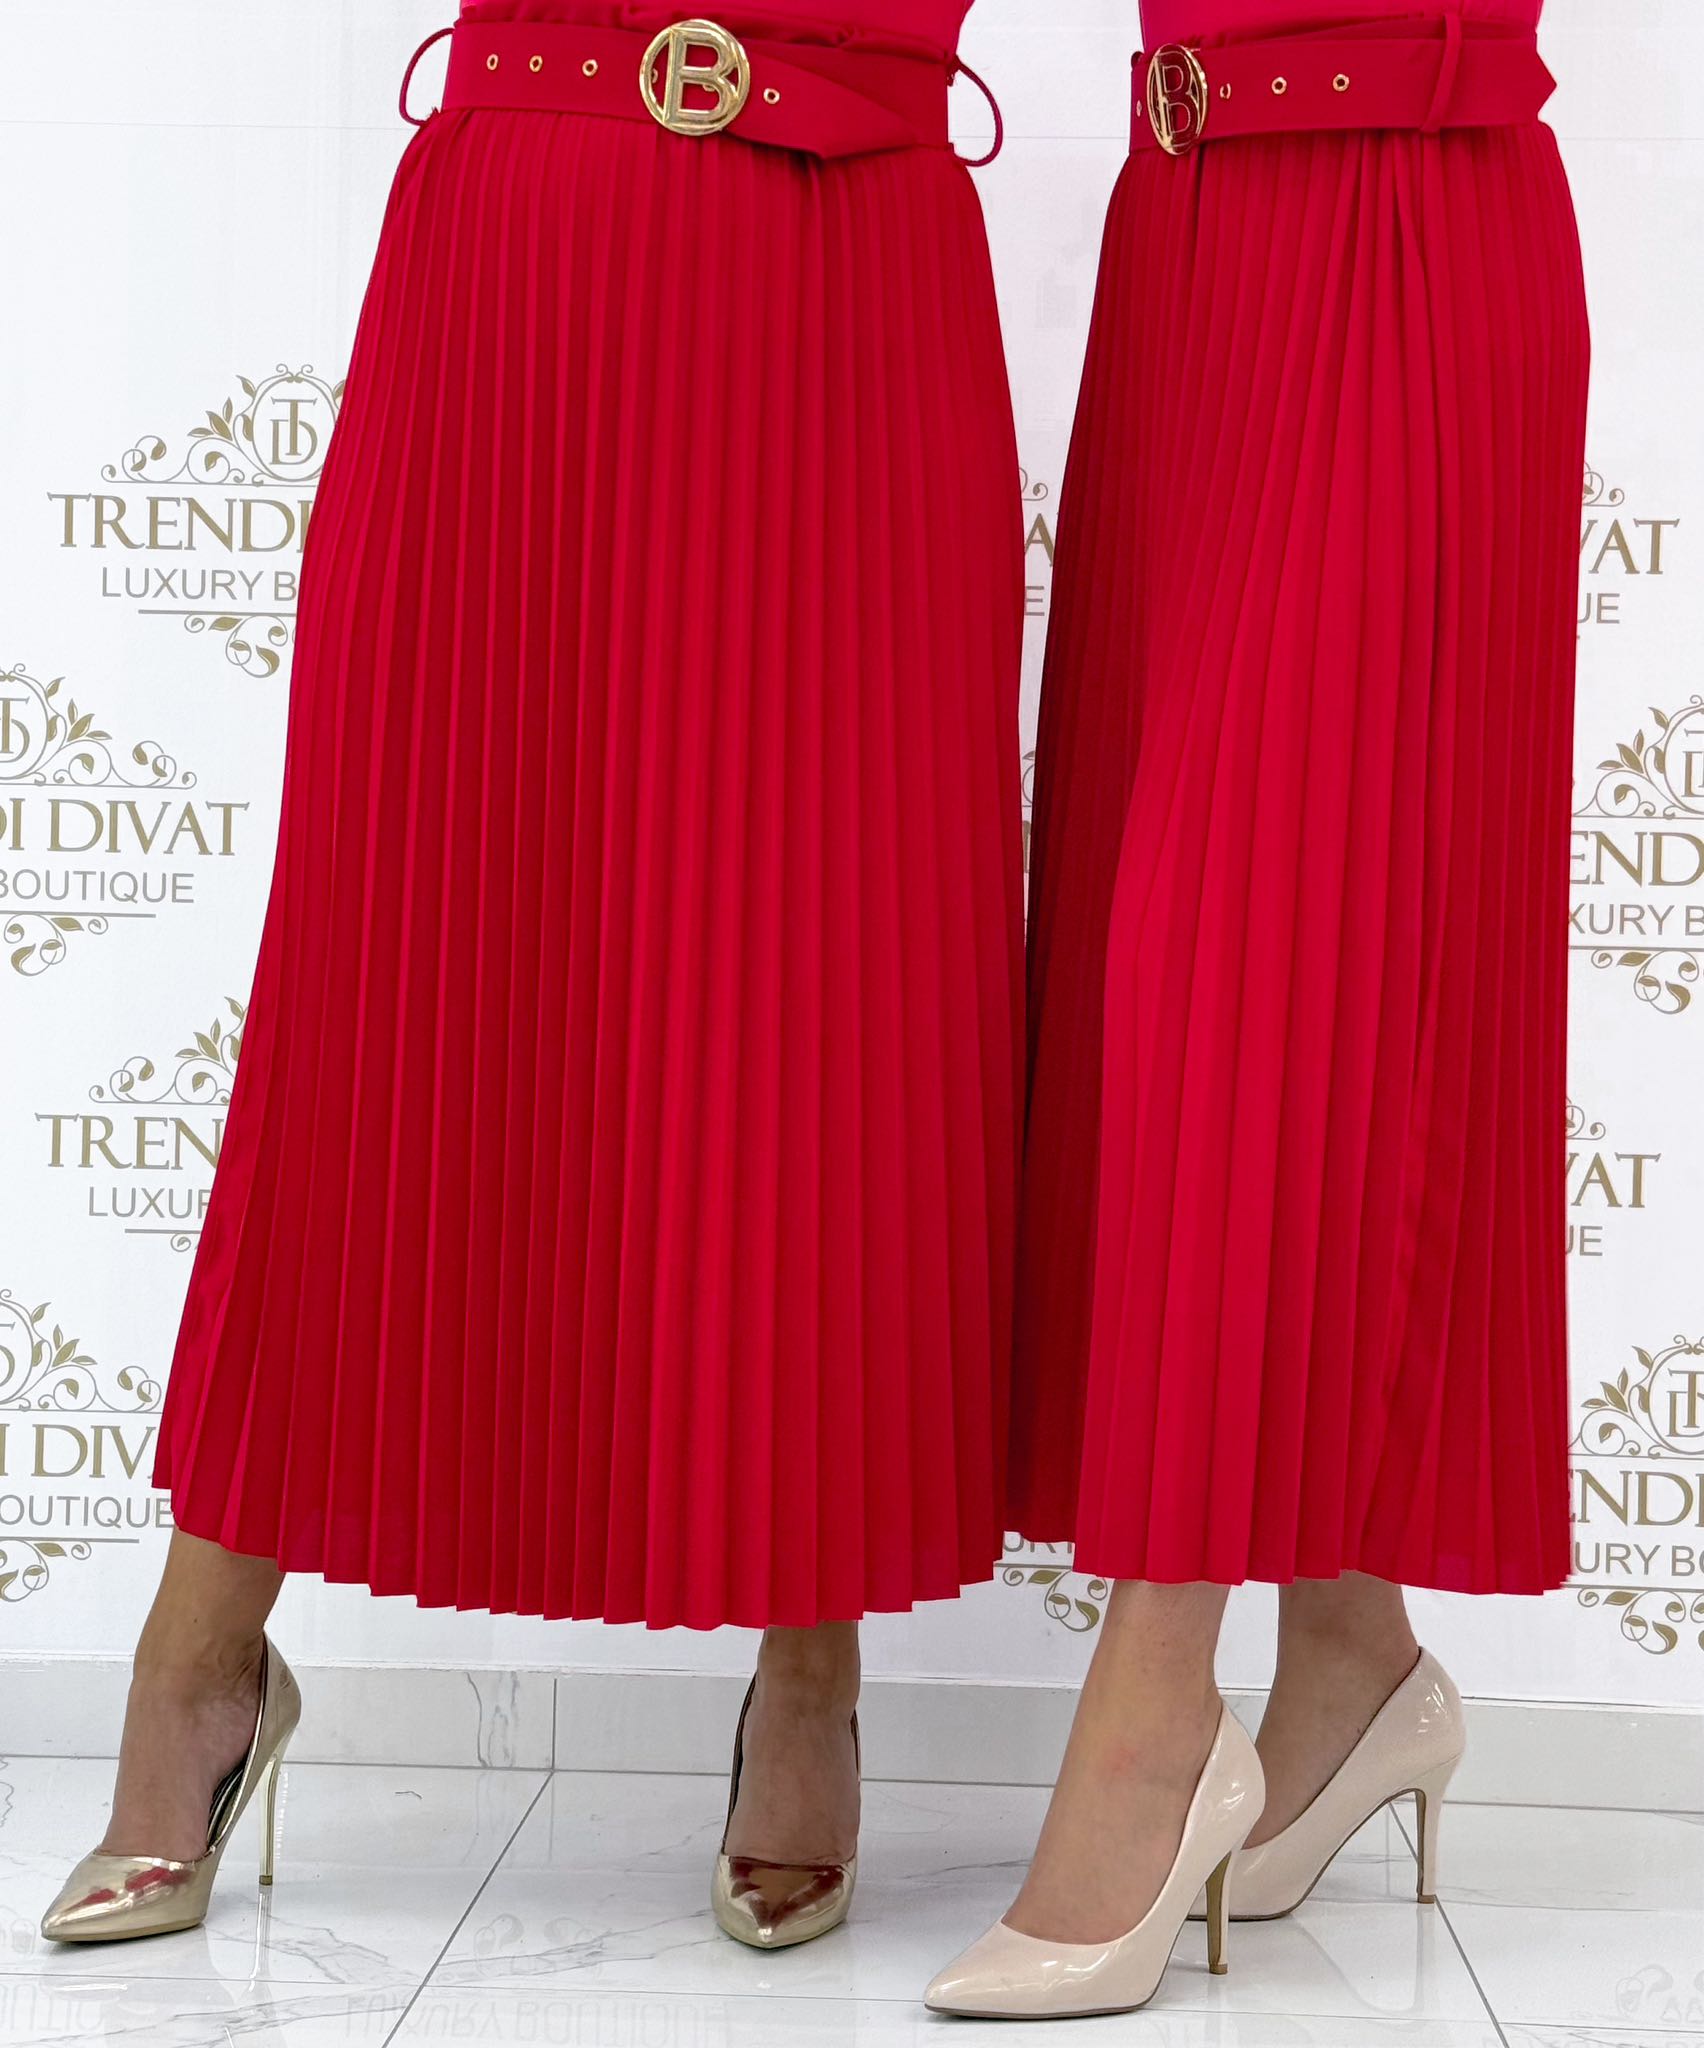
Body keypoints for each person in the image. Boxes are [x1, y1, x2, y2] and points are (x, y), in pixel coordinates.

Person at [43, 0, 1023, 1951]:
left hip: (853, 265)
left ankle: (809, 1665)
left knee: (830, 968)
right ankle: (203, 1650)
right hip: (521, 258)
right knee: (384, 955)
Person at [929, 0, 1587, 2019]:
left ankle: (1155, 1714)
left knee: (1254, 965)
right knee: (1196, 968)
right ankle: (1352, 1653)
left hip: (1407, 216)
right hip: (1188, 235)